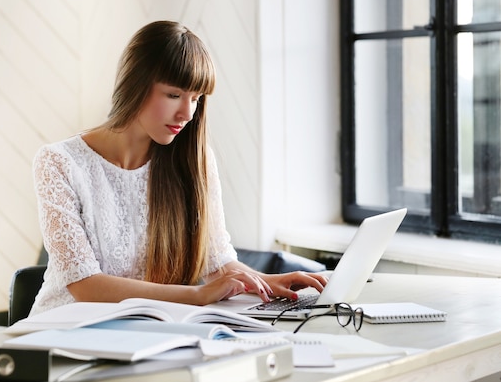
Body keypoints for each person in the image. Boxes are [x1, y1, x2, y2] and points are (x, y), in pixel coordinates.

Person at [29, 20, 327, 316]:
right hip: (61, 333)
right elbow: (86, 288)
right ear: (136, 84)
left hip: (147, 330)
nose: (186, 113)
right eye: (174, 95)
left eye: (196, 98)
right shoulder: (59, 162)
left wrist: (271, 283)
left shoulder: (195, 160)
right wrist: (198, 295)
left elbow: (217, 262)